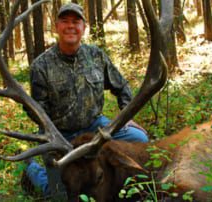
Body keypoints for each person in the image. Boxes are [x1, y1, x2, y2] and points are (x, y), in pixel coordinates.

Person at [25, 2, 148, 197]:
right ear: (56, 27)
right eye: (65, 21)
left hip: (96, 128)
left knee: (138, 139)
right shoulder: (41, 65)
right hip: (61, 136)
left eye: (76, 21)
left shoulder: (96, 56)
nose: (70, 26)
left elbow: (122, 86)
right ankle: (32, 170)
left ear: (84, 27)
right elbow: (37, 111)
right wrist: (54, 138)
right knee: (58, 194)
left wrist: (126, 115)